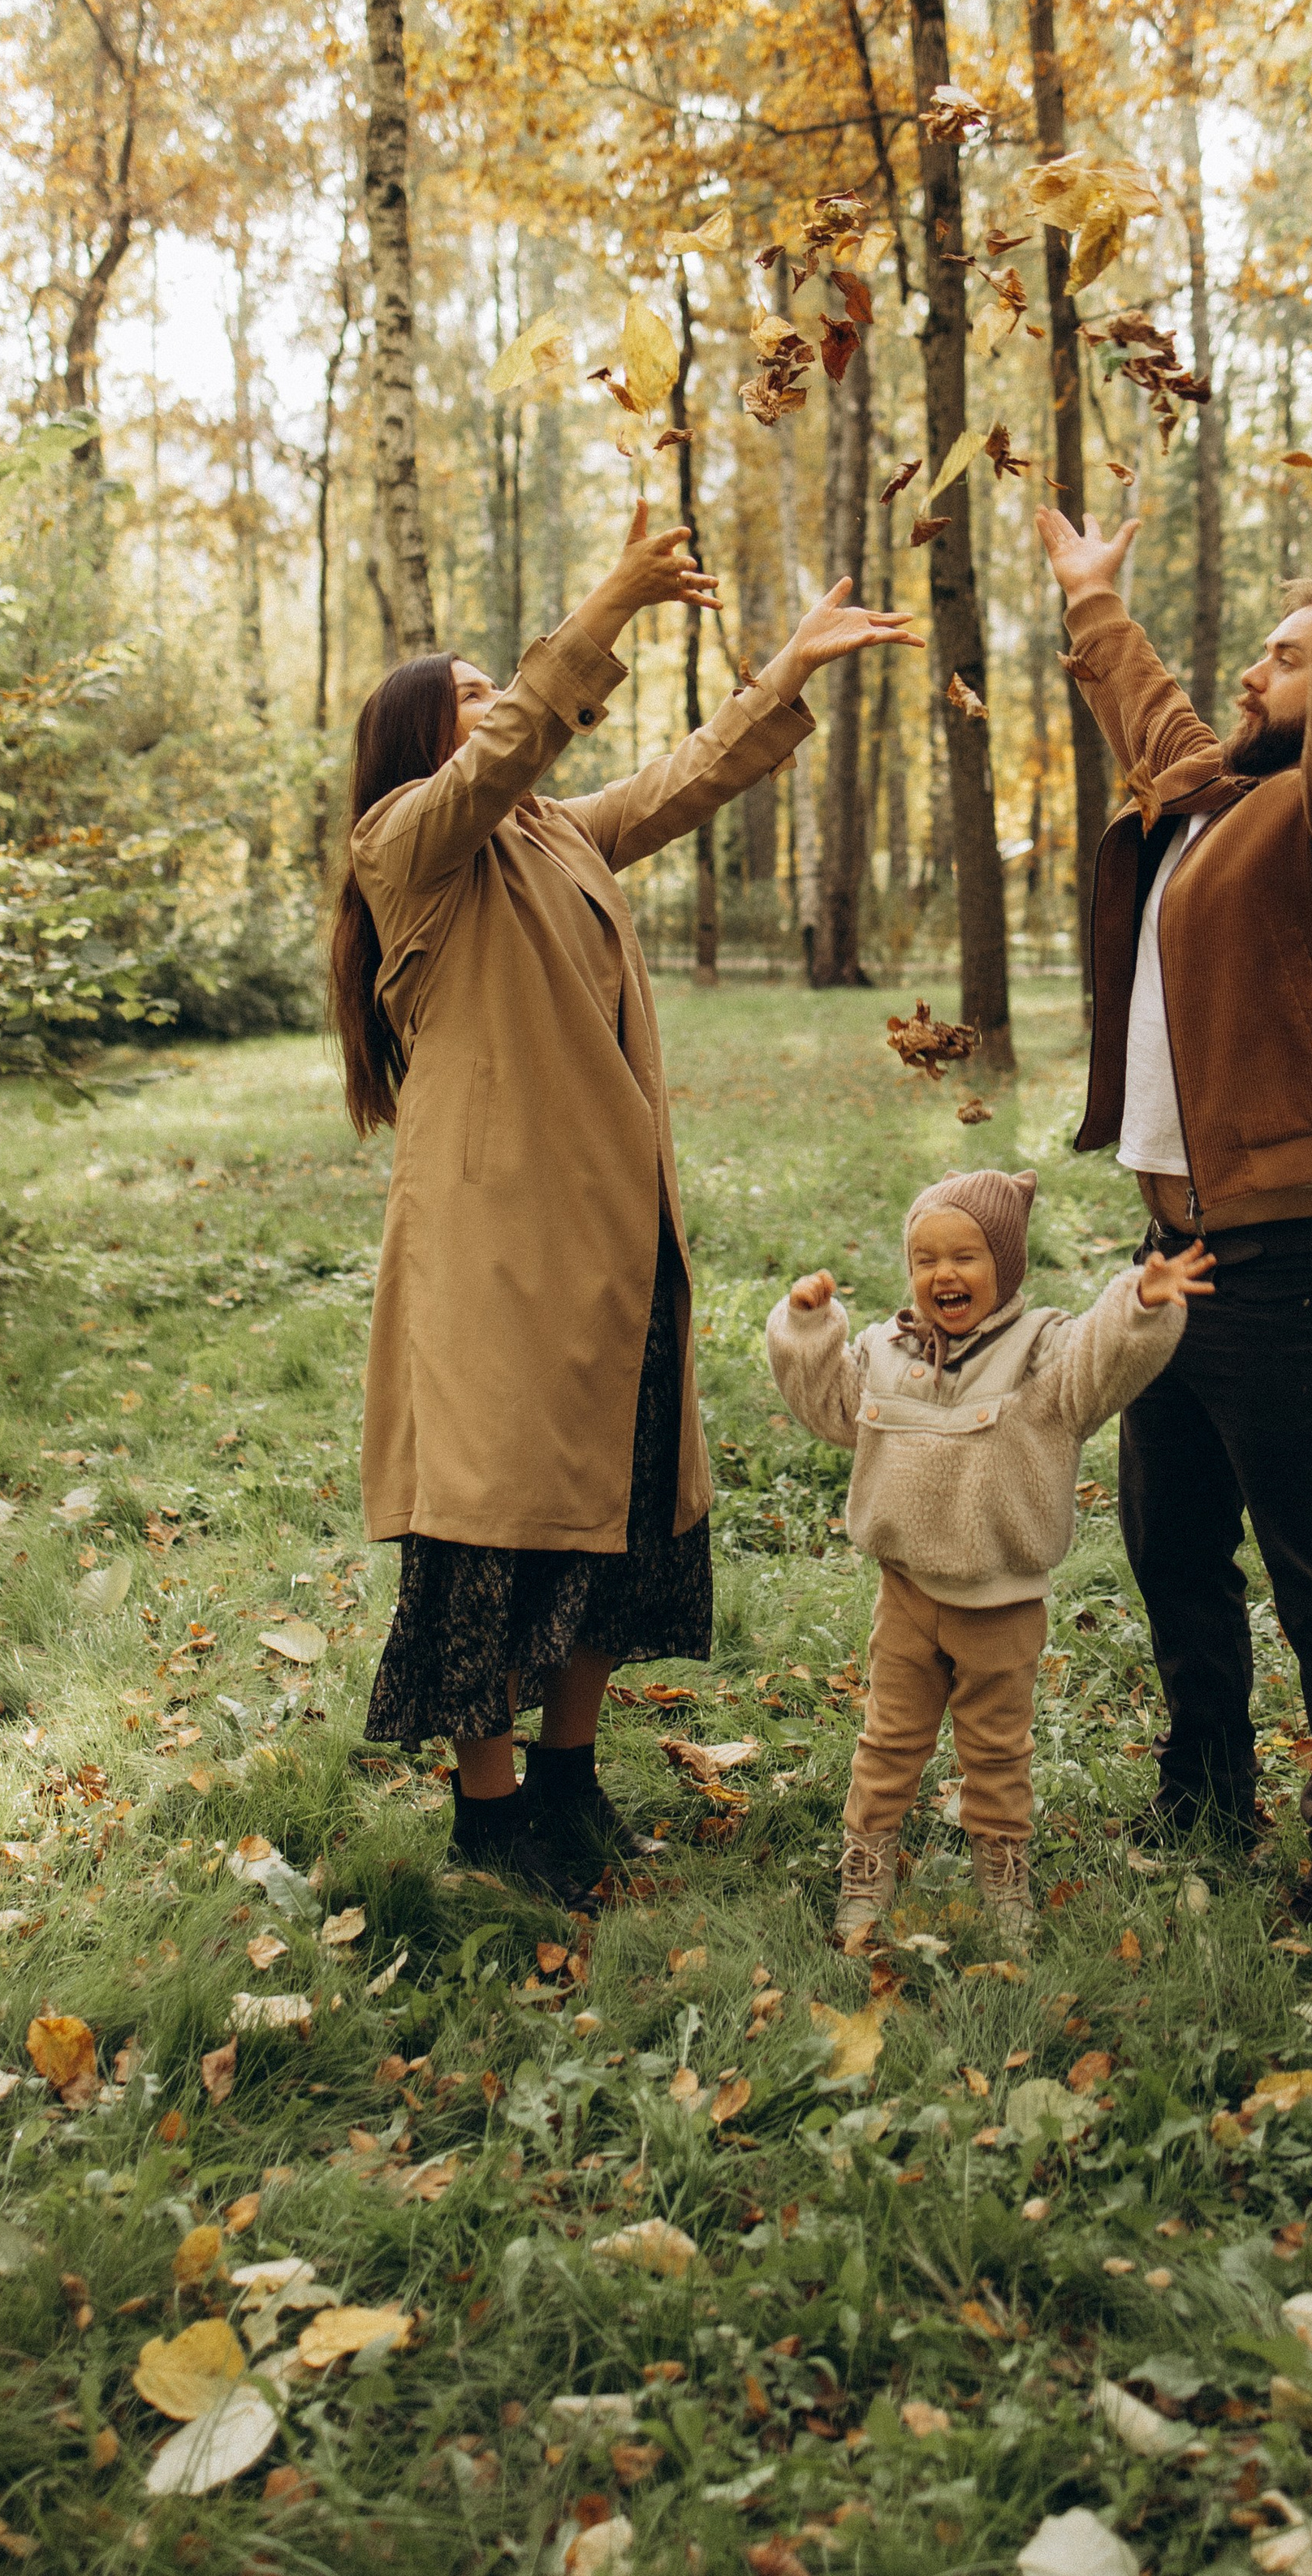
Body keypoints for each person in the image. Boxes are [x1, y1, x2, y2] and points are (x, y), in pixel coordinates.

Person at [329, 500, 920, 1911]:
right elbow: (520, 740)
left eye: (496, 693)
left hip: (616, 1248)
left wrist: (783, 677)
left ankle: (572, 1783)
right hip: (494, 1265)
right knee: (484, 1539)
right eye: (468, 702)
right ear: (424, 744)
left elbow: (686, 779)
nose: (497, 714)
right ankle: (488, 1823)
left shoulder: (555, 840)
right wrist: (605, 608)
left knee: (617, 1513)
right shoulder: (409, 849)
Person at [1032, 463, 1312, 1917]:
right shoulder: (1214, 799)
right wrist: (1092, 598)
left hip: (1293, 1265)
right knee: (1173, 1548)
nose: (1250, 669)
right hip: (1176, 1261)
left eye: (1282, 654)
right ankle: (1206, 1791)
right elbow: (1151, 716)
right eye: (1265, 649)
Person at [766, 1165, 1213, 1943]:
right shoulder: (888, 1352)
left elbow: (1102, 1362)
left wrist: (1137, 1304)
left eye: (965, 1255)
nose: (944, 1272)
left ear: (1004, 1264)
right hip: (906, 1595)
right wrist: (808, 1326)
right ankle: (866, 1866)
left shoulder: (1041, 1355)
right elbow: (832, 1403)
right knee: (888, 1741)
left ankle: (1002, 1876)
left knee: (997, 1752)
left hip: (1002, 1603)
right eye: (926, 1257)